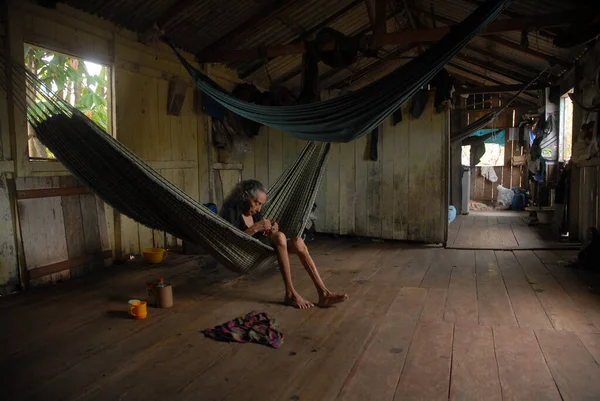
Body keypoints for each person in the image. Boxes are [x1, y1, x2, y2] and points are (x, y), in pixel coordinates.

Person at [219, 179, 348, 309]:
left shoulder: (254, 213)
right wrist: (255, 228)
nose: (259, 209)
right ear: (245, 196)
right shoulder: (231, 212)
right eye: (257, 203)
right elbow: (232, 242)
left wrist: (270, 229)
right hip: (243, 252)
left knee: (298, 241)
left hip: (261, 247)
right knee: (280, 237)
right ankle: (290, 293)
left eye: (261, 205)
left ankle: (324, 293)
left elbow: (261, 235)